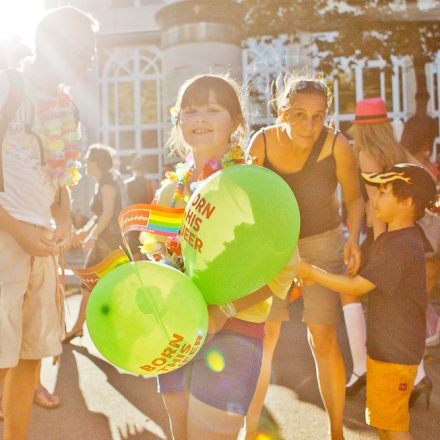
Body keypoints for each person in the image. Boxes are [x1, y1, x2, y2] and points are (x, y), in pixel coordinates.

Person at [144, 73, 298, 440]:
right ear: (178, 121)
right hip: (177, 336)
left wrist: (223, 310)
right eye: (190, 110)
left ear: (236, 122)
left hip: (236, 333)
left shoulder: (251, 185)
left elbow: (283, 271)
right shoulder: (168, 193)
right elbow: (156, 257)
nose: (199, 118)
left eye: (213, 109)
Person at [247, 75, 364, 440]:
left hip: (323, 241)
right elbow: (248, 196)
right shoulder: (261, 142)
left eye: (318, 116)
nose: (310, 126)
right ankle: (251, 431)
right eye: (299, 115)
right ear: (281, 112)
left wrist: (354, 238)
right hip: (274, 245)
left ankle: (336, 434)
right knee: (266, 335)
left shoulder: (336, 144)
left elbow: (356, 198)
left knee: (323, 337)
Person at [0, 6, 97, 440]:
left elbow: (61, 182)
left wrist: (61, 218)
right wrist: (18, 230)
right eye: (83, 48)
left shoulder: (67, 106)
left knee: (29, 356)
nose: (89, 59)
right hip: (5, 242)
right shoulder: (7, 86)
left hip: (42, 250)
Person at [298, 163, 437, 440]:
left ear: (407, 202)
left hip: (396, 356)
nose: (375, 198)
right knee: (384, 423)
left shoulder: (402, 245)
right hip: (385, 351)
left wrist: (312, 272)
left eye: (383, 193)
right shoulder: (392, 239)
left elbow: (357, 287)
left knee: (394, 427)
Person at [345, 97, 432, 405]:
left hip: (384, 235)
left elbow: (374, 209)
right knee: (399, 310)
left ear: (361, 128)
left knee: (352, 294)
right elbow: (426, 176)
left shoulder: (367, 154)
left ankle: (359, 369)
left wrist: (381, 246)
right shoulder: (396, 150)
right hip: (409, 233)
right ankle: (418, 377)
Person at [65, 144, 122, 343]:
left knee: (91, 285)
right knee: (93, 286)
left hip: (109, 242)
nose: (85, 164)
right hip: (104, 241)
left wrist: (92, 237)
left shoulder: (108, 184)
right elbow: (98, 216)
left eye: (88, 160)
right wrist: (83, 233)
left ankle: (80, 327)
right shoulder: (102, 182)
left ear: (96, 162)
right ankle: (80, 327)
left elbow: (107, 214)